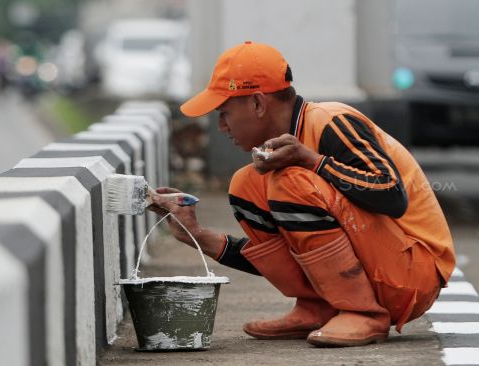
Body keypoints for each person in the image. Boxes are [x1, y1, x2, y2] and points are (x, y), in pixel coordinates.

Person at [149, 41, 455, 347]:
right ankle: (317, 306)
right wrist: (198, 235)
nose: (221, 126)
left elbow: (392, 195)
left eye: (224, 113)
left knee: (290, 182)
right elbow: (292, 254)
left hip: (413, 274)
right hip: (383, 267)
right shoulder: (283, 152)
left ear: (257, 103)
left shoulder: (331, 122)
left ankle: (363, 313)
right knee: (246, 183)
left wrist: (313, 161)